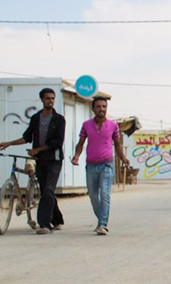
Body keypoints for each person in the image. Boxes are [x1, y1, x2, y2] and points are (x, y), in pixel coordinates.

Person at [0, 88, 66, 234]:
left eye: (52, 98)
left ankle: (44, 224)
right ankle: (57, 220)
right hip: (40, 160)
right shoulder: (36, 118)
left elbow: (58, 142)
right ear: (42, 100)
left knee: (48, 189)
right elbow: (27, 137)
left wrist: (38, 149)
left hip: (54, 160)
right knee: (45, 191)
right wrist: (9, 143)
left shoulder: (59, 119)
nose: (50, 101)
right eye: (47, 98)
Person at [71, 96, 130, 235]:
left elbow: (117, 144)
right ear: (93, 109)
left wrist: (123, 158)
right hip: (91, 165)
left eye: (104, 106)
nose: (101, 109)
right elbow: (81, 143)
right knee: (92, 195)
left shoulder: (113, 125)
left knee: (104, 194)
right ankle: (101, 219)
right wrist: (77, 156)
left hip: (106, 165)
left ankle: (102, 224)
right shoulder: (86, 125)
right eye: (98, 106)